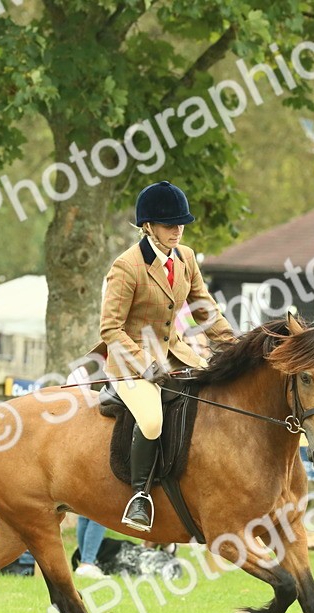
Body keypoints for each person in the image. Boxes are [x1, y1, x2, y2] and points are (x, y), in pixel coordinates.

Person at [87, 180, 236, 532]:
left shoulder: (186, 258)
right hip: (131, 362)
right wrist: (144, 364)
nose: (177, 230)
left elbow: (205, 309)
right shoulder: (127, 266)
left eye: (181, 223)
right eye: (170, 224)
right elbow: (110, 329)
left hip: (176, 354)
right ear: (148, 226)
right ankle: (140, 496)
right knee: (152, 420)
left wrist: (234, 346)